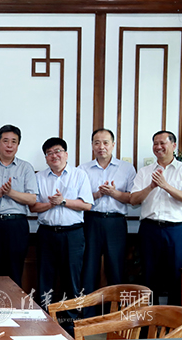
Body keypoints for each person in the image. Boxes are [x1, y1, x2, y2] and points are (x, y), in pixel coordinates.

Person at [31, 137, 92, 332]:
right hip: (46, 234)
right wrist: (51, 204)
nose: (54, 155)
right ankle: (44, 321)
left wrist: (63, 201)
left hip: (73, 234)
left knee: (71, 280)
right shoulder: (39, 177)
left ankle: (70, 324)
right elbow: (33, 207)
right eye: (49, 153)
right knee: (45, 279)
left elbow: (87, 205)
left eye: (57, 151)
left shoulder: (79, 175)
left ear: (66, 154)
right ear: (46, 158)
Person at [79, 129, 136, 303]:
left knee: (116, 267)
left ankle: (116, 312)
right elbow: (78, 199)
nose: (101, 147)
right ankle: (88, 312)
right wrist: (97, 194)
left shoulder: (126, 168)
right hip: (91, 221)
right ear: (92, 146)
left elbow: (133, 199)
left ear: (113, 145)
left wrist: (113, 193)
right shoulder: (83, 169)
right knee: (89, 267)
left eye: (105, 142)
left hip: (116, 222)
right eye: (97, 143)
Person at [0, 124, 37, 286]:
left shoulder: (26, 168)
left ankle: (13, 302)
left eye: (14, 141)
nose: (9, 145)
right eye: (5, 141)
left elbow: (32, 199)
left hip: (16, 225)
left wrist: (11, 192)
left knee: (15, 270)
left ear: (18, 145)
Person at [130, 130, 182, 306]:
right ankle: (149, 318)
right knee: (148, 275)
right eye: (155, 143)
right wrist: (151, 187)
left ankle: (173, 319)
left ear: (173, 146)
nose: (158, 147)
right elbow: (133, 200)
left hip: (175, 230)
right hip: (149, 229)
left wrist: (165, 186)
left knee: (176, 274)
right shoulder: (145, 172)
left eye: (162, 143)